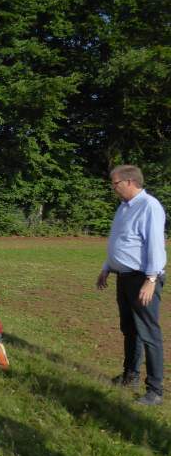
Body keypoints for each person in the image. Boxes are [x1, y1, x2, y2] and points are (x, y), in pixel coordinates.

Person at [96, 165, 166, 406]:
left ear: (130, 182)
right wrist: (107, 267)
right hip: (124, 277)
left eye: (115, 183)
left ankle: (155, 390)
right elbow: (120, 240)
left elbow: (155, 246)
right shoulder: (123, 208)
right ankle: (130, 376)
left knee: (149, 333)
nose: (113, 188)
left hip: (142, 279)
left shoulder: (149, 206)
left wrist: (151, 279)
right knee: (130, 329)